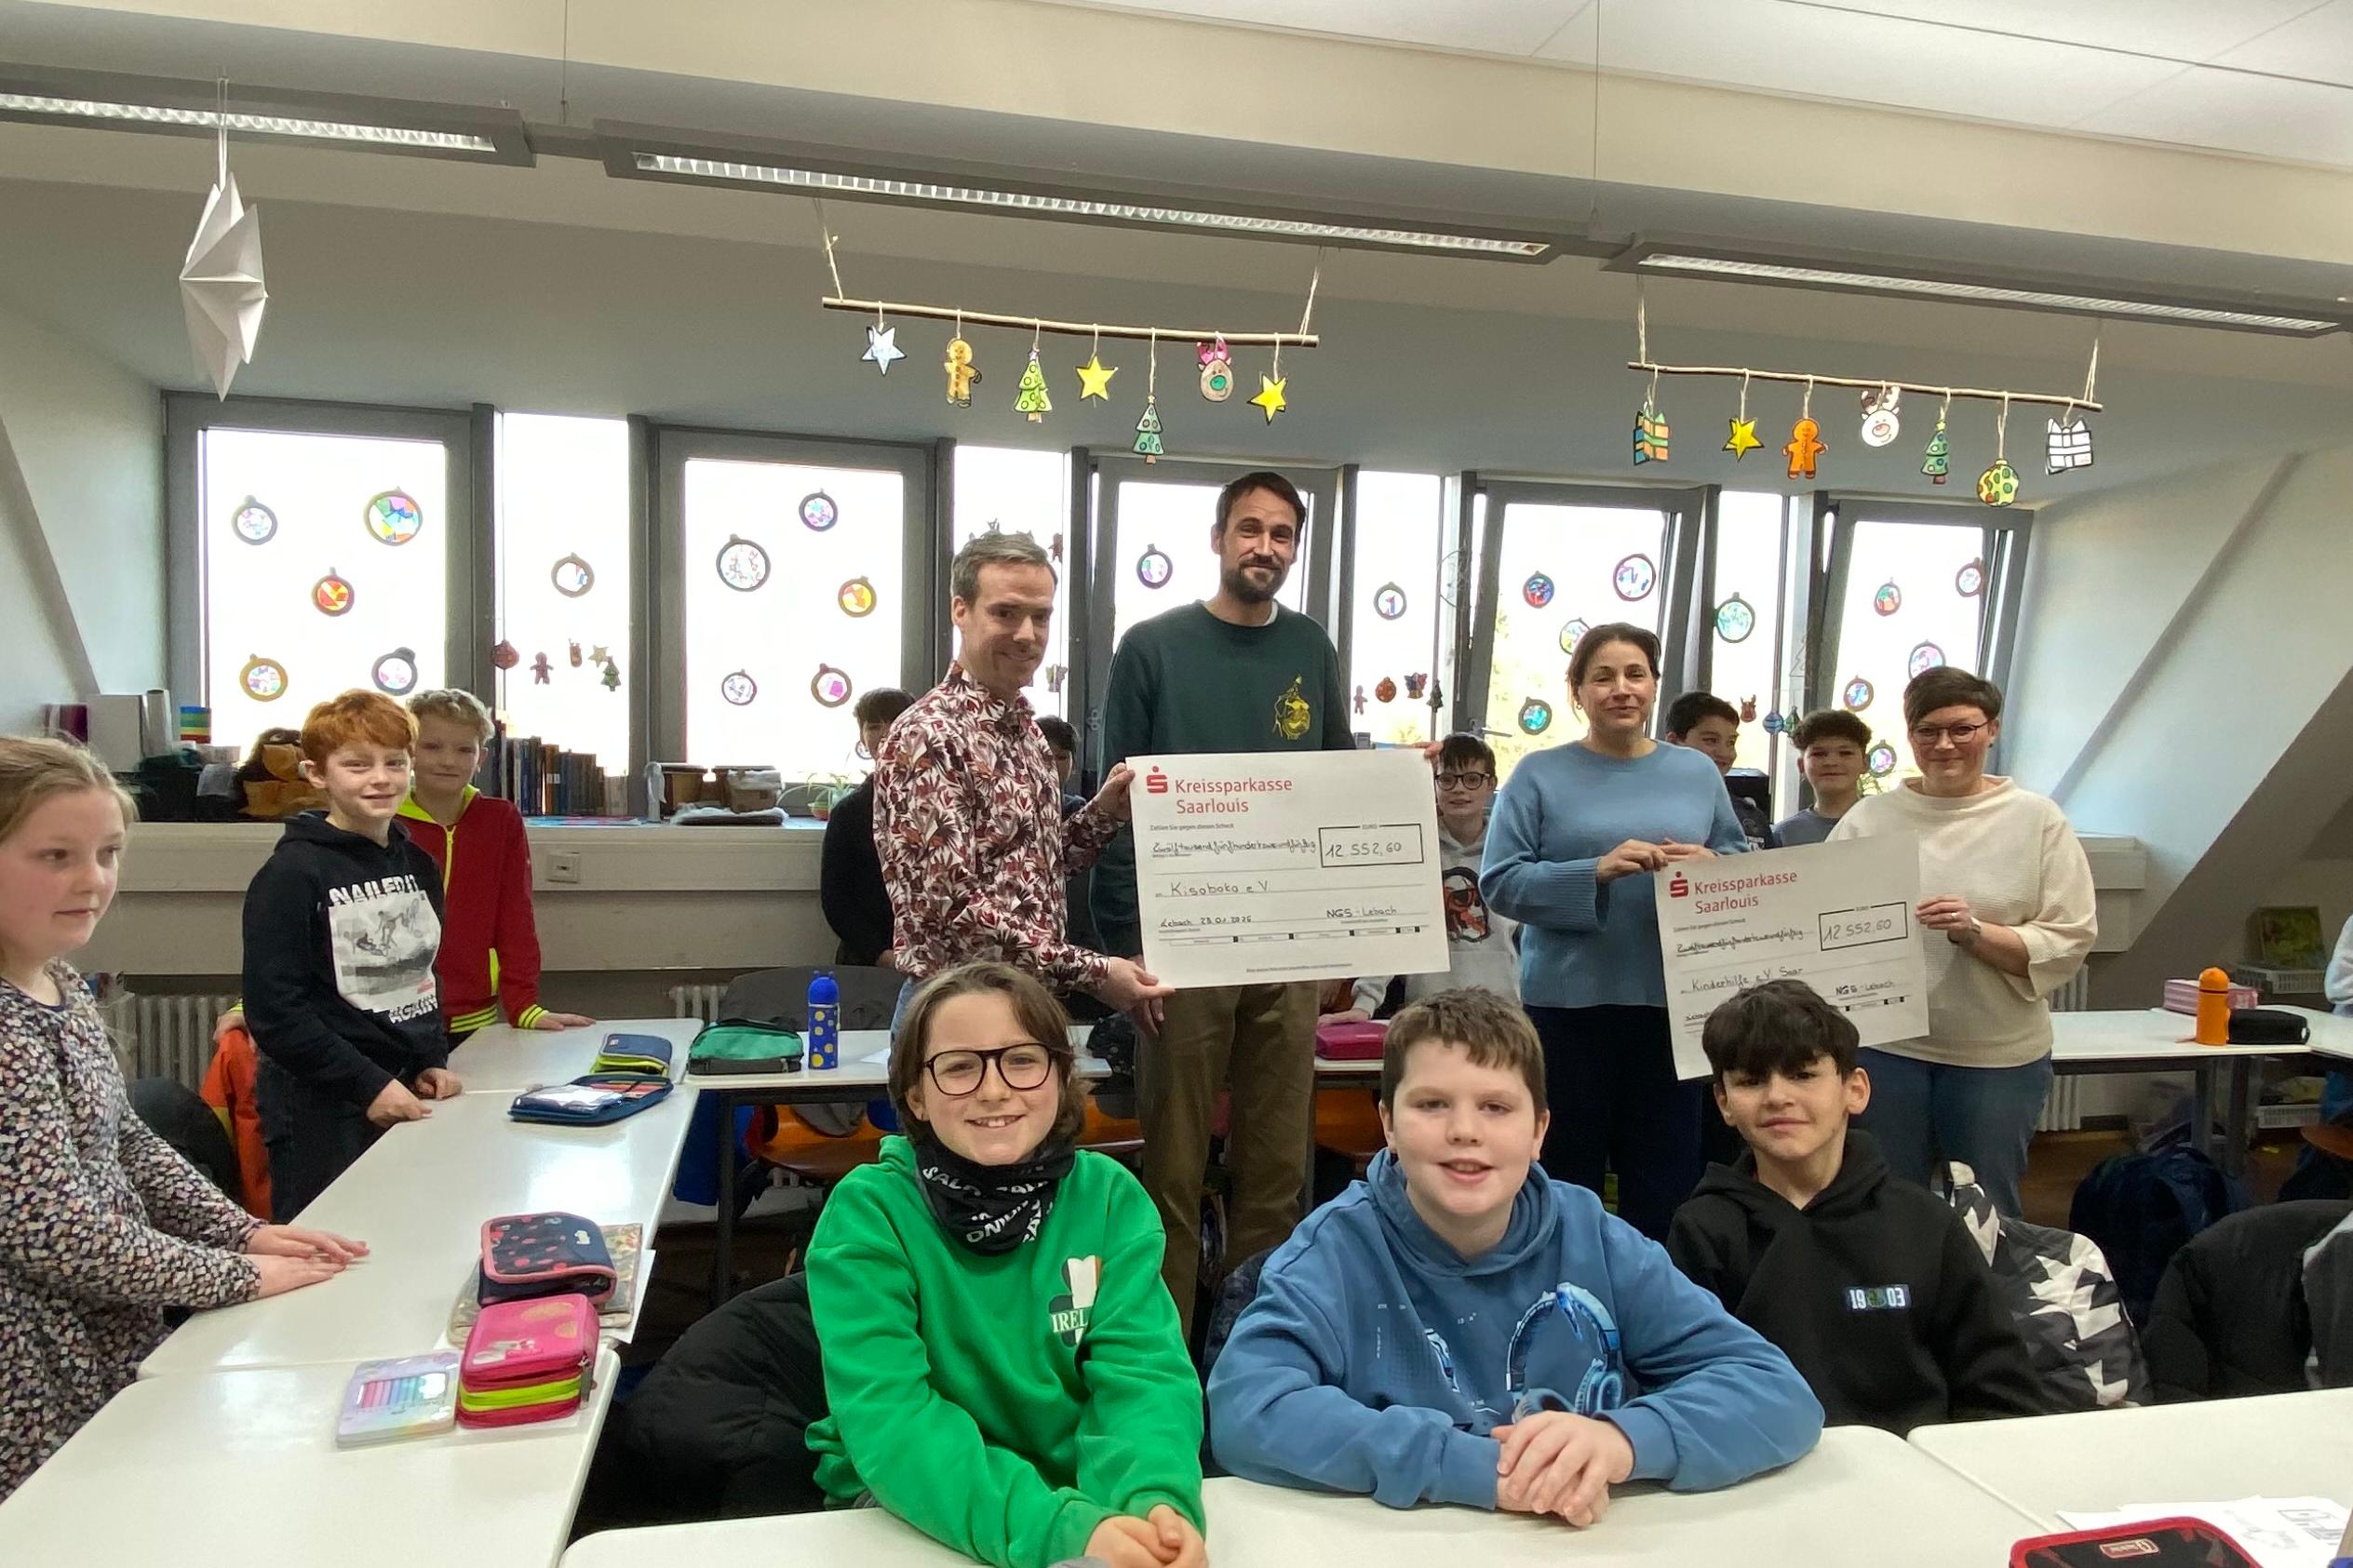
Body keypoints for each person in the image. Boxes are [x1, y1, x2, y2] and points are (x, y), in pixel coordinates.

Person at [1207, 989, 1822, 1521]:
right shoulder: (1332, 1251)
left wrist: (1622, 1441)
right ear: (1387, 1124)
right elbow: (1245, 1410)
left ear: (1539, 1130)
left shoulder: (1596, 1238)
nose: (1465, 1130)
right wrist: (1477, 1467)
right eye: (1432, 1104)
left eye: (1496, 1106)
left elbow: (1778, 1392)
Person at [0, 737, 362, 1501]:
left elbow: (127, 1137)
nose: (94, 880)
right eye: (55, 856)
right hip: (29, 1364)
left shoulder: (56, 977)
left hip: (98, 1326)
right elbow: (53, 1234)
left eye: (108, 852)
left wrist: (244, 1231)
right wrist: (237, 1274)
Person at [804, 961, 1205, 1568]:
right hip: (907, 1496)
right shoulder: (869, 1214)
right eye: (959, 1066)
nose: (994, 1089)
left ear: (1061, 1073)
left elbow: (1143, 1377)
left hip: (1074, 1493)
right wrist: (1056, 1528)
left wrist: (1151, 1500)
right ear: (915, 1092)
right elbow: (895, 1424)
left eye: (1021, 1059)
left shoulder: (1110, 1199)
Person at [1091, 469, 1357, 1333]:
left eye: (1282, 535)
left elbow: (1334, 792)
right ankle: (1161, 1363)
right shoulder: (1153, 647)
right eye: (1249, 529)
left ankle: (1258, 1348)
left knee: (1277, 1165)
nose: (1265, 548)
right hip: (1179, 948)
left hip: (1285, 946)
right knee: (1171, 1165)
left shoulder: (1311, 649)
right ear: (1217, 538)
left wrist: (1336, 938)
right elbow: (1114, 803)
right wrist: (1126, 945)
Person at [1666, 980, 2053, 1434]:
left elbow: (2002, 1397)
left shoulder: (1925, 1224)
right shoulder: (1703, 1231)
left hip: (1916, 1478)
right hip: (1764, 1479)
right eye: (1751, 1081)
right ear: (1724, 1103)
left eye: (1803, 1075)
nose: (1777, 1096)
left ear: (1855, 1089)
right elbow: (1685, 1394)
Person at [1480, 623, 1748, 1240]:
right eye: (1602, 676)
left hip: (1674, 1010)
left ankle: (1658, 1315)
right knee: (1565, 1175)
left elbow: (1742, 871)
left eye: (1635, 674)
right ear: (1576, 691)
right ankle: (1562, 1306)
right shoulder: (1538, 774)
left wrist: (1712, 870)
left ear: (1655, 685)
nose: (1621, 688)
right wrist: (1593, 872)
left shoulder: (1698, 774)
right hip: (1567, 1010)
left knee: (1667, 1179)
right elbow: (1500, 881)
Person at [1830, 668, 2095, 1216]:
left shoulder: (2037, 819)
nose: (1944, 745)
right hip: (1887, 1052)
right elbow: (1818, 920)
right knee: (1886, 1204)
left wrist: (1975, 932)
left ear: (1992, 729)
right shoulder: (1870, 818)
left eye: (1962, 729)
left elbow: (2069, 936)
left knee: (1985, 1210)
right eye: (1927, 731)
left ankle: (1982, 1303)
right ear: (1909, 737)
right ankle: (1901, 1303)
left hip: (1995, 1058)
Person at [874, 532, 1165, 1025]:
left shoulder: (1027, 734)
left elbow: (1036, 870)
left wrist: (1103, 814)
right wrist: (1094, 973)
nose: (1028, 634)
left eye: (1041, 616)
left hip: (1027, 1002)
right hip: (957, 1010)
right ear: (960, 610)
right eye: (1005, 613)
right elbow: (954, 912)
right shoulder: (929, 737)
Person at [242, 691, 464, 1221]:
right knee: (332, 1241)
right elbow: (276, 1013)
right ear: (317, 774)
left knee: (403, 1227)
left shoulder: (418, 863)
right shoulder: (291, 875)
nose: (380, 778)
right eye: (357, 765)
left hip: (404, 1082)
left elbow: (420, 973)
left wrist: (432, 1056)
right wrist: (367, 1084)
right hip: (322, 1102)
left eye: (395, 763)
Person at [398, 689, 591, 1039]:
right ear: (409, 751)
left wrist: (524, 1005)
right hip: (393, 1012)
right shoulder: (383, 821)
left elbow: (515, 915)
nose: (448, 760)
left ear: (481, 758)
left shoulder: (499, 819)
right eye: (432, 747)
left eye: (463, 750)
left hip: (472, 1009)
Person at [1328, 733, 1519, 1020]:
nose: (1459, 789)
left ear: (1491, 784)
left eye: (1472, 779)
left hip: (1503, 1010)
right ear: (1433, 785)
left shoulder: (1513, 850)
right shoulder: (1412, 848)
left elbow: (1535, 939)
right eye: (1447, 779)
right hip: (1427, 1009)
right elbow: (1393, 931)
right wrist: (1364, 1005)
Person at [819, 686, 915, 969]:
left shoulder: (942, 801)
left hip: (936, 958)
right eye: (874, 726)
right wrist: (880, 954)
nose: (885, 733)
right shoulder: (849, 813)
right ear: (862, 737)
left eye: (896, 722)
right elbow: (836, 900)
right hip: (868, 961)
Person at [1662, 691, 1773, 850]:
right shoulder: (1652, 809)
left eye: (1731, 742)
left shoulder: (1751, 818)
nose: (1725, 753)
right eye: (1711, 740)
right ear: (1674, 742)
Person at [1774, 709, 1871, 848]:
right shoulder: (1785, 835)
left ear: (1865, 763)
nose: (1831, 762)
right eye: (1819, 754)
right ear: (1801, 766)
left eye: (1845, 753)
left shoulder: (1885, 821)